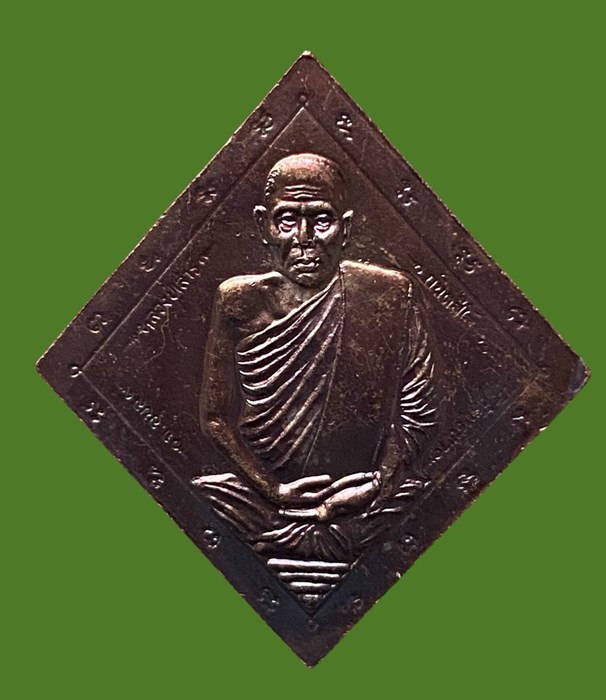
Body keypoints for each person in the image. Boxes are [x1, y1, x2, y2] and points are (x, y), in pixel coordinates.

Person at [192, 153, 438, 578]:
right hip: (260, 504)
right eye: (287, 220)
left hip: (363, 503)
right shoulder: (238, 301)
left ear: (346, 228)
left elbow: (419, 412)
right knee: (205, 498)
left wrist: (379, 482)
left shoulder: (390, 295)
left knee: (420, 500)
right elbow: (214, 418)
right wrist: (273, 490)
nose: (304, 239)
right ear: (262, 225)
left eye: (321, 220)